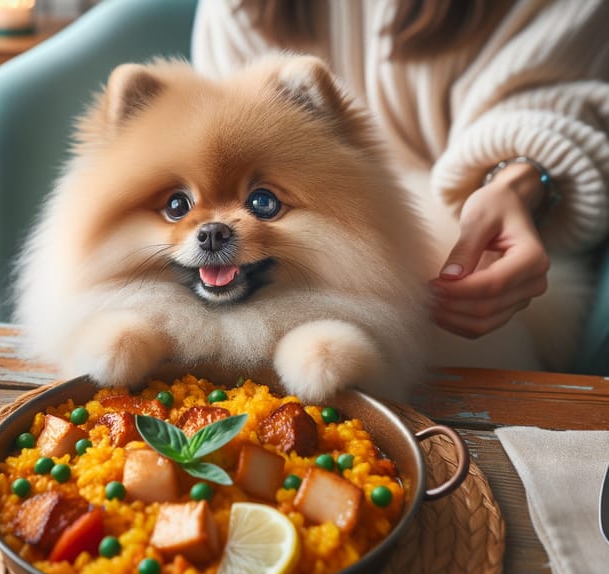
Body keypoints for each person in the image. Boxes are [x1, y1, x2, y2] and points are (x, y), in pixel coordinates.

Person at [191, 0, 609, 371]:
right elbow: (221, 152)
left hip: (485, 253)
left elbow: (559, 92)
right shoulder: (238, 8)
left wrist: (517, 182)